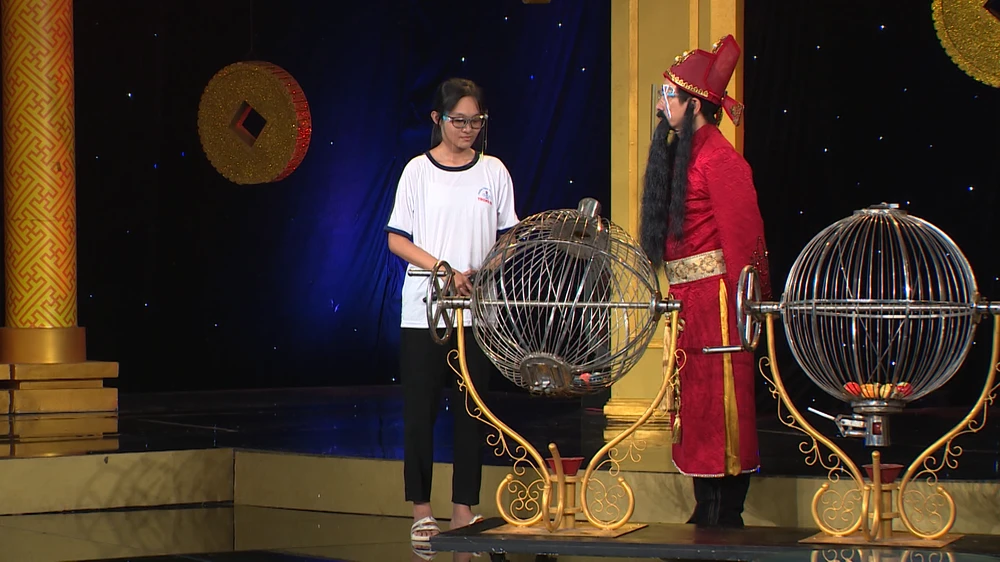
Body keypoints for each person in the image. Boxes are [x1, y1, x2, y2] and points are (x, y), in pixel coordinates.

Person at [639, 35, 768, 528]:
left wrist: (748, 310)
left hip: (719, 303)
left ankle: (723, 513)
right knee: (692, 406)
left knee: (719, 405)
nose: (661, 105)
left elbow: (744, 243)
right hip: (688, 303)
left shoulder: (720, 159)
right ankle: (705, 508)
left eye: (668, 96)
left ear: (694, 105)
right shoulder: (686, 156)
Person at [385, 78, 519, 545]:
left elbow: (509, 236)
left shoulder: (494, 171)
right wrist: (441, 268)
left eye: (475, 121)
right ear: (437, 119)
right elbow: (397, 239)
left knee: (473, 412)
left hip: (477, 313)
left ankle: (464, 509)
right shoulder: (417, 172)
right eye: (458, 120)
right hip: (425, 312)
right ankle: (422, 510)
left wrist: (486, 269)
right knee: (420, 411)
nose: (467, 129)